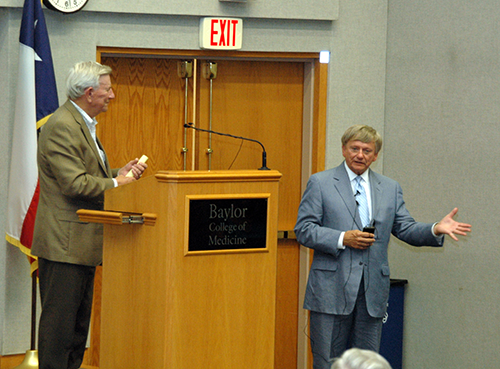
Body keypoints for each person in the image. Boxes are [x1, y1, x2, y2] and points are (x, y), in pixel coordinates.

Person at [294, 125, 471, 369]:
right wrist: (342, 238)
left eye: (367, 150)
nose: (360, 155)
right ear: (344, 150)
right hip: (330, 292)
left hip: (371, 293)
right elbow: (303, 229)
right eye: (354, 148)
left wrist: (435, 229)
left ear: (375, 155)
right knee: (327, 363)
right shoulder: (321, 183)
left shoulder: (389, 188)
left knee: (368, 364)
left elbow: (405, 228)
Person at [31, 61, 147, 369]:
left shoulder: (82, 123)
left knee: (77, 331)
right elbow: (74, 183)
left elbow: (86, 173)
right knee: (59, 332)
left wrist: (116, 172)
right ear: (89, 92)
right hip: (64, 245)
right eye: (107, 89)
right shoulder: (62, 125)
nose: (112, 94)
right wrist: (116, 182)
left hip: (80, 246)